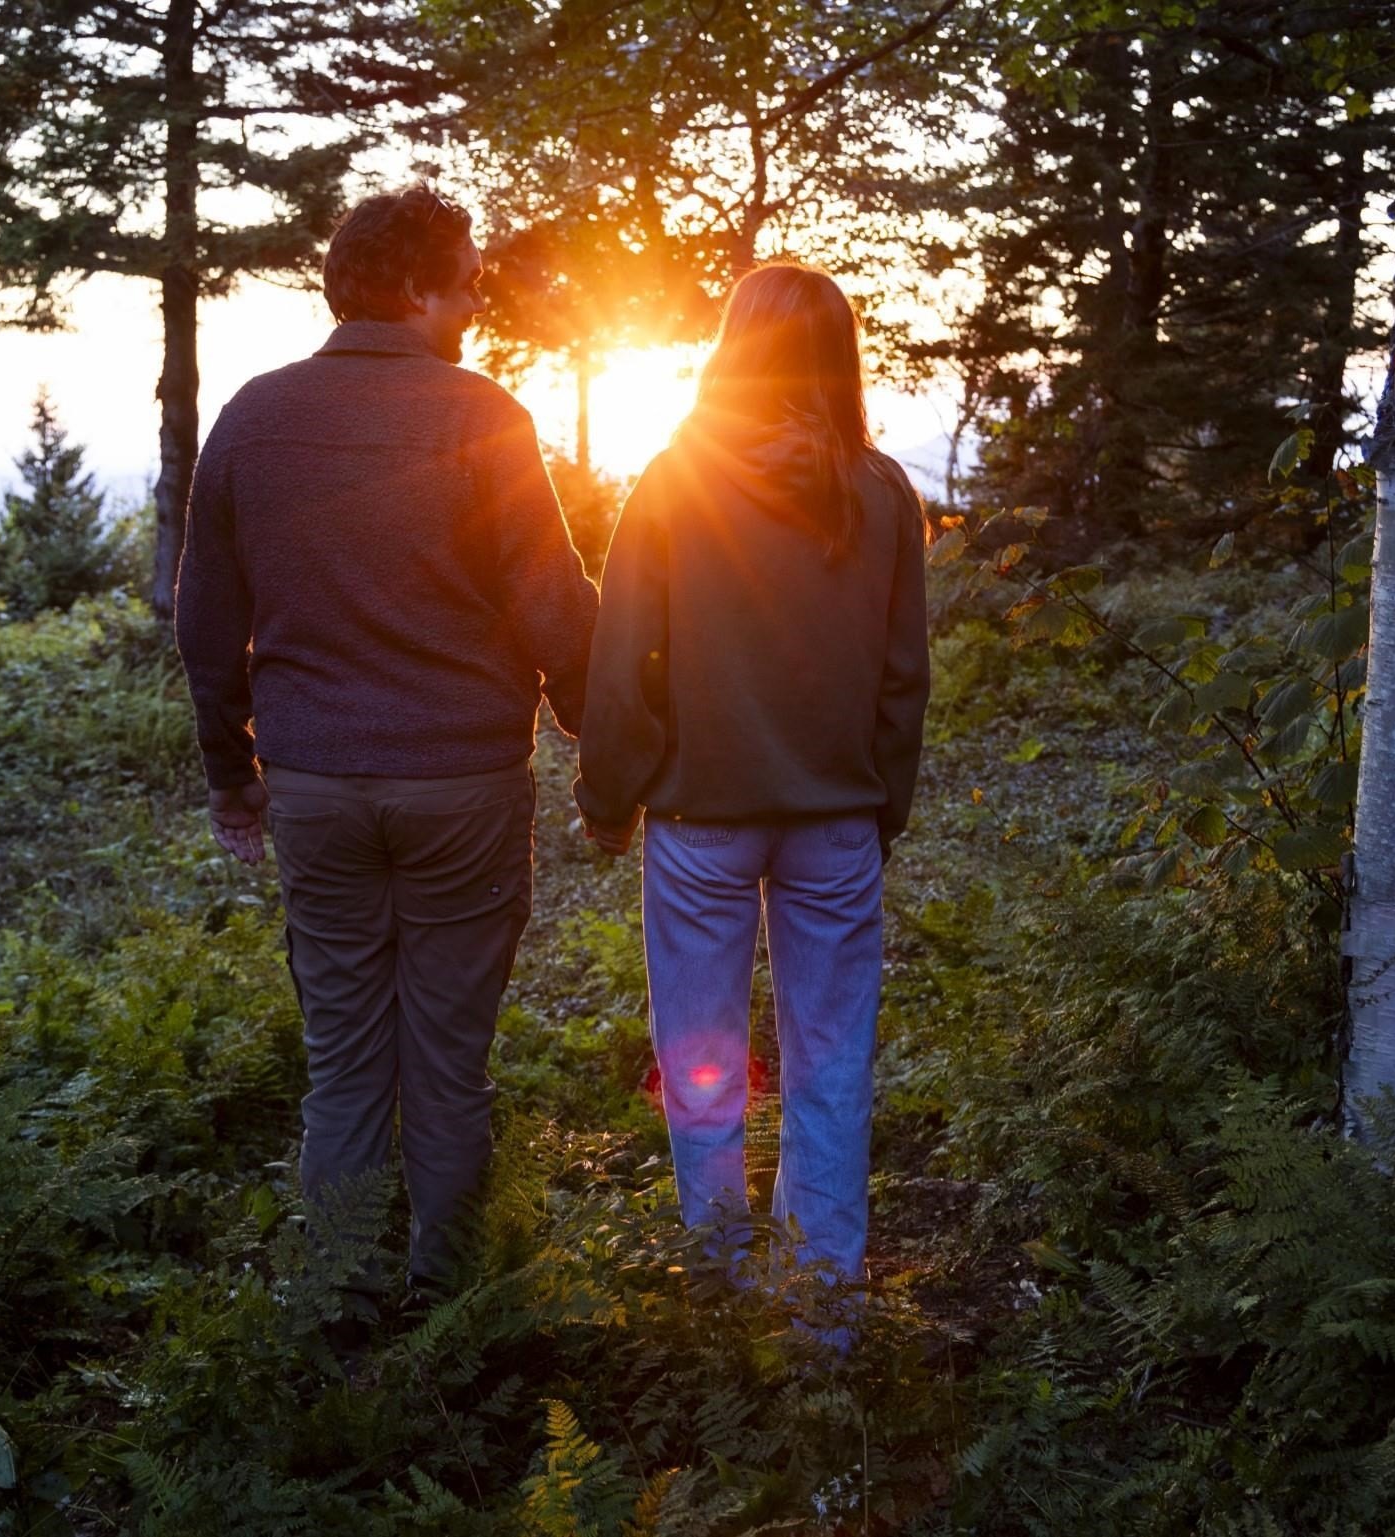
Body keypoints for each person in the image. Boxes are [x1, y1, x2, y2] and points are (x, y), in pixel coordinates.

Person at [174, 182, 599, 1293]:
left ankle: (341, 1307)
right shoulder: (483, 415)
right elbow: (554, 609)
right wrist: (601, 734)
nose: (476, 301)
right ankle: (450, 1314)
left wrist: (233, 774)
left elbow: (206, 621)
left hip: (314, 787)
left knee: (345, 1066)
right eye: (465, 282)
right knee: (448, 1068)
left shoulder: (253, 416)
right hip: (462, 786)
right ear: (413, 286)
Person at [574, 262, 930, 1284]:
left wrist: (609, 801)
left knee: (703, 1074)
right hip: (837, 822)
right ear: (837, 360)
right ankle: (825, 1312)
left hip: (700, 820)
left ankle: (720, 1296)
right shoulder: (881, 494)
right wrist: (879, 812)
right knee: (832, 1068)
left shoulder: (674, 480)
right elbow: (903, 679)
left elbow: (625, 659)